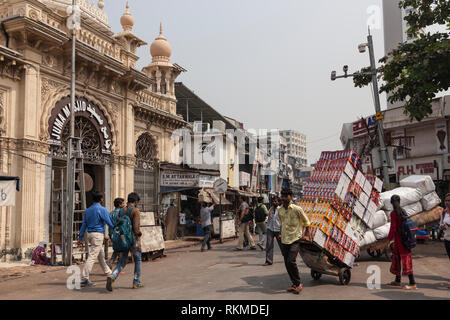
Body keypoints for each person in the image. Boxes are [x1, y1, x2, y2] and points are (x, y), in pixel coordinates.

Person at [107, 192, 144, 291]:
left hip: (123, 239)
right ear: (136, 201)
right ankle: (136, 282)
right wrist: (139, 238)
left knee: (122, 261)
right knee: (138, 259)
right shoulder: (135, 211)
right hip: (133, 239)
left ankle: (113, 276)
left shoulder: (121, 211)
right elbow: (136, 229)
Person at [278, 187, 311, 295]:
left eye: (286, 196)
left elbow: (306, 222)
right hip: (284, 239)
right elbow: (282, 223)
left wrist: (306, 234)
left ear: (291, 197)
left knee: (291, 261)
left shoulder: (297, 209)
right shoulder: (280, 210)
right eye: (282, 196)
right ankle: (294, 283)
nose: (284, 198)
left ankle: (298, 283)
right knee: (287, 263)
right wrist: (280, 233)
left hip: (295, 239)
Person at [78, 191, 114, 287]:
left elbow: (84, 224)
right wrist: (115, 229)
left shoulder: (88, 210)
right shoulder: (102, 209)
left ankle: (108, 272)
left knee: (100, 255)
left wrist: (80, 236)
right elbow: (109, 222)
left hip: (89, 234)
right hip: (98, 234)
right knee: (92, 256)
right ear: (101, 199)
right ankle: (84, 278)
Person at [387, 195, 417, 290]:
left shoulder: (393, 213)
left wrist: (388, 240)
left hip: (399, 241)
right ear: (399, 201)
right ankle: (397, 280)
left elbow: (393, 228)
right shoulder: (403, 211)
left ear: (391, 203)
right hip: (405, 240)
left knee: (403, 260)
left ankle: (412, 283)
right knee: (400, 259)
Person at [106, 197, 125, 268]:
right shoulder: (121, 213)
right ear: (119, 205)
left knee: (117, 249)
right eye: (123, 203)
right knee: (121, 250)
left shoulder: (111, 213)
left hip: (112, 234)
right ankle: (117, 266)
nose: (124, 204)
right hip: (120, 234)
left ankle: (111, 263)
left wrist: (110, 234)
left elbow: (109, 225)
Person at [264, 196, 282, 266]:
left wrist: (281, 232)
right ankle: (268, 261)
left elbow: (282, 221)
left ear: (279, 202)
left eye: (276, 201)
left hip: (278, 229)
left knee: (282, 245)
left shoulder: (280, 209)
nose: (274, 202)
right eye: (274, 201)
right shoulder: (270, 209)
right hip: (270, 228)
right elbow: (269, 219)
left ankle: (287, 257)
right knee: (269, 245)